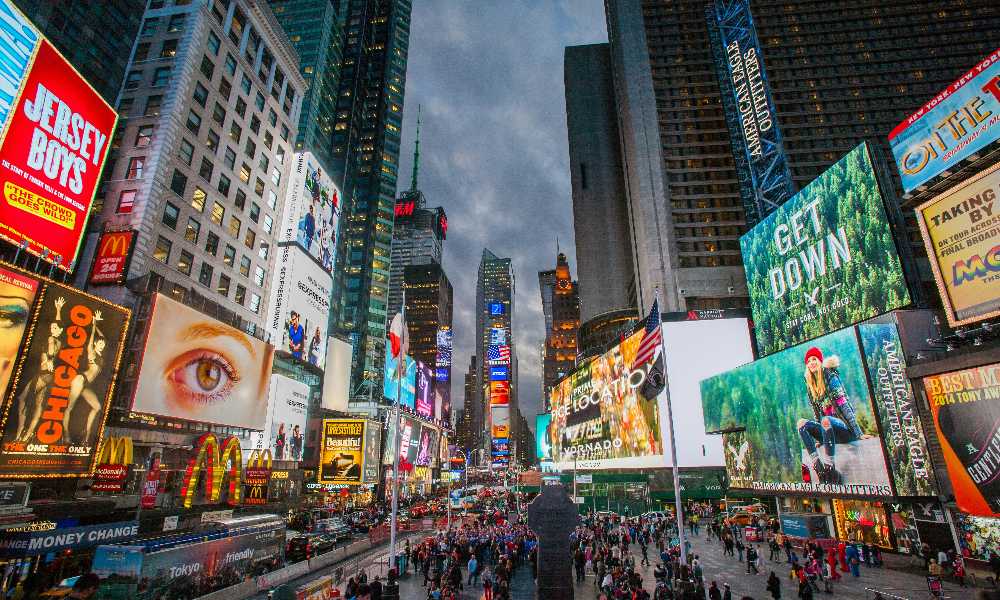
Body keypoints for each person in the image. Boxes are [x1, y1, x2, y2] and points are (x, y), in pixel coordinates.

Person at [796, 347, 864, 485]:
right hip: (828, 431)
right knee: (801, 423)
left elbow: (844, 405)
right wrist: (820, 436)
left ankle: (830, 468)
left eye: (814, 359)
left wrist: (858, 433)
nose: (811, 363)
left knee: (825, 420)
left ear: (820, 360)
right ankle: (820, 469)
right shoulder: (811, 385)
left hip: (843, 429)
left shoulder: (830, 376)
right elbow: (816, 413)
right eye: (808, 361)